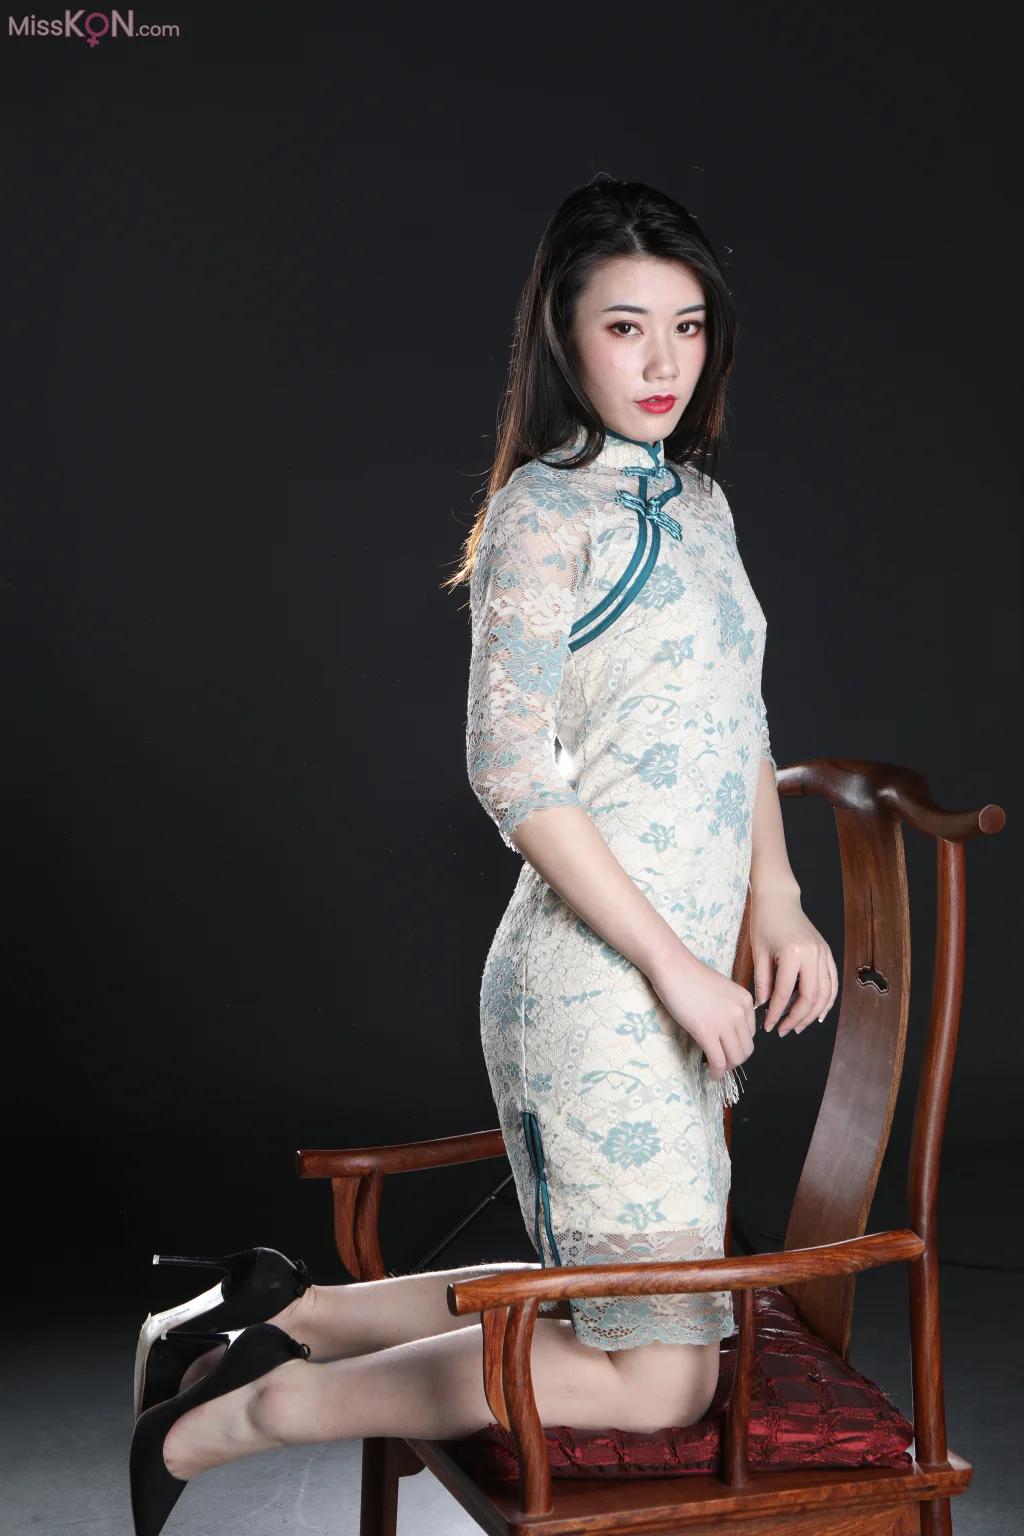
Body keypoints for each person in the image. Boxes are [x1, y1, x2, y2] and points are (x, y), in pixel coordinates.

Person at [127, 176, 838, 1536]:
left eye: (688, 326)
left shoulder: (700, 506)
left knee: (636, 1329)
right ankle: (235, 1414)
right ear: (564, 336)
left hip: (681, 985)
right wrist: (679, 971)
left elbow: (737, 714)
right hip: (596, 991)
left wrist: (781, 897)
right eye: (626, 327)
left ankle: (280, 1310)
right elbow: (511, 772)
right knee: (659, 1380)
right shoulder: (540, 514)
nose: (663, 362)